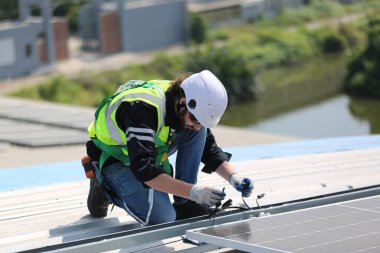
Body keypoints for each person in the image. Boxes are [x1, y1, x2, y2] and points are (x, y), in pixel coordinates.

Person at [85, 70, 254, 225]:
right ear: (183, 102)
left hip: (142, 154)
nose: (197, 126)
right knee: (163, 218)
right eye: (196, 120)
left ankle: (185, 205)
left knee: (197, 132)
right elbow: (144, 170)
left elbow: (209, 150)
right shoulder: (143, 108)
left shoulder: (184, 101)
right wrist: (193, 191)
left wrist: (234, 177)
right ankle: (104, 187)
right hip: (115, 159)